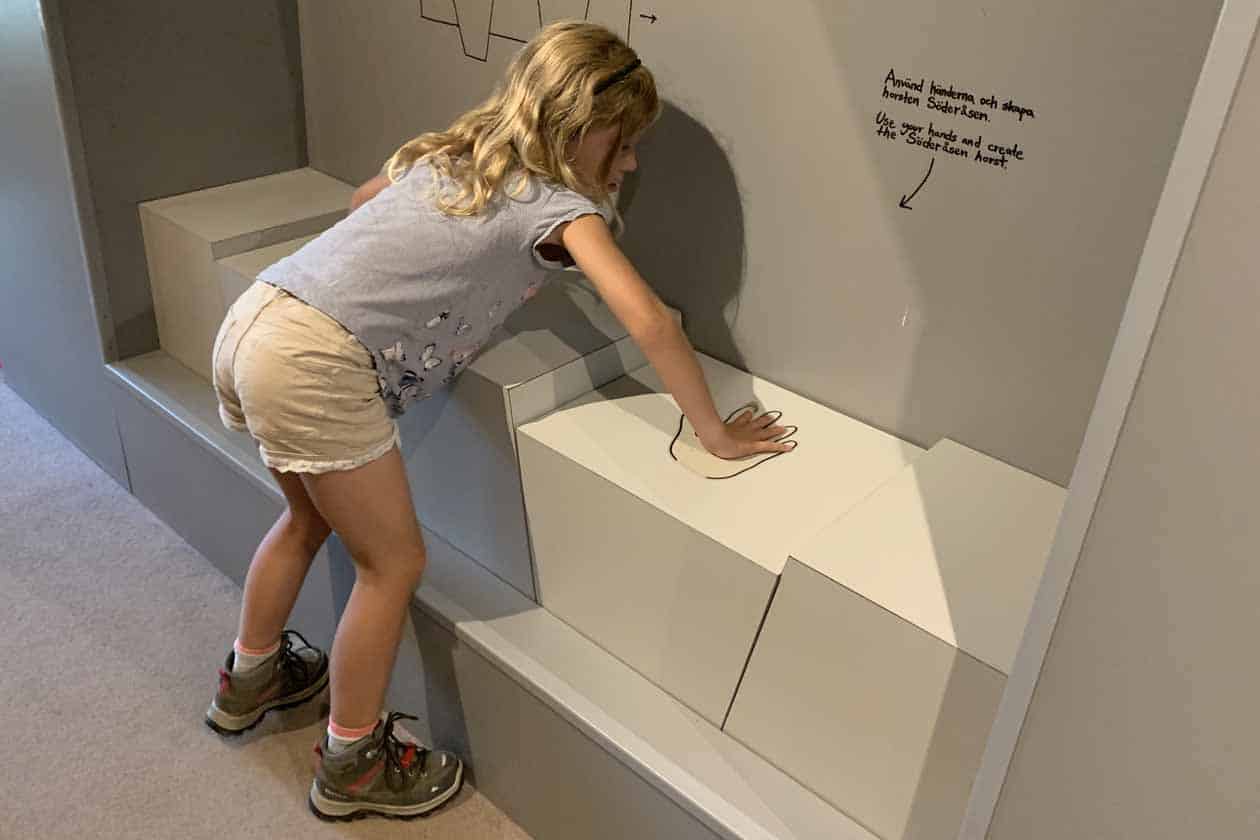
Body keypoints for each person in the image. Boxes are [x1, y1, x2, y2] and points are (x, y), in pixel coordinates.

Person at [204, 20, 795, 822]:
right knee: (393, 565)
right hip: (315, 365)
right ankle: (352, 763)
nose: (630, 164)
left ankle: (251, 679)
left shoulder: (457, 152)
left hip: (260, 316)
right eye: (624, 145)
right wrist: (715, 432)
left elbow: (363, 202)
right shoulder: (556, 206)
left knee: (305, 519)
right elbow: (650, 319)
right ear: (582, 130)